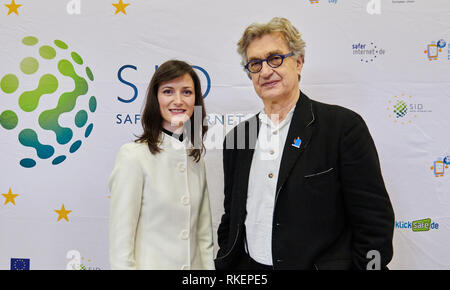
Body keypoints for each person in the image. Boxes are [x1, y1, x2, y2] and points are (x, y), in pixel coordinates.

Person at [215, 17, 395, 270]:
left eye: (275, 58)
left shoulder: (343, 127)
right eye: (255, 64)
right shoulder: (238, 137)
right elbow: (231, 215)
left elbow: (374, 221)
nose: (266, 71)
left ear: (298, 63)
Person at [108, 60, 214, 270]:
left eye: (186, 92)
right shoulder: (133, 156)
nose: (178, 100)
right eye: (168, 91)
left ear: (196, 100)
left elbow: (204, 237)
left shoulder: (196, 158)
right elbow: (121, 242)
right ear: (156, 99)